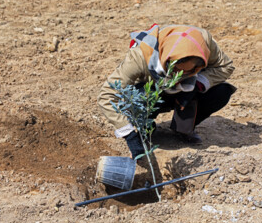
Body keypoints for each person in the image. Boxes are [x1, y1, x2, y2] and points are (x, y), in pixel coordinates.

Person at [98, 24, 236, 159]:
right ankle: (145, 128)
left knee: (221, 91)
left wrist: (196, 85)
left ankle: (183, 127)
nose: (180, 75)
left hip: (185, 92)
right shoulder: (140, 56)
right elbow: (107, 94)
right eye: (176, 70)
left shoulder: (203, 43)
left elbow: (225, 66)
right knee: (141, 98)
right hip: (150, 93)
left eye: (188, 71)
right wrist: (128, 134)